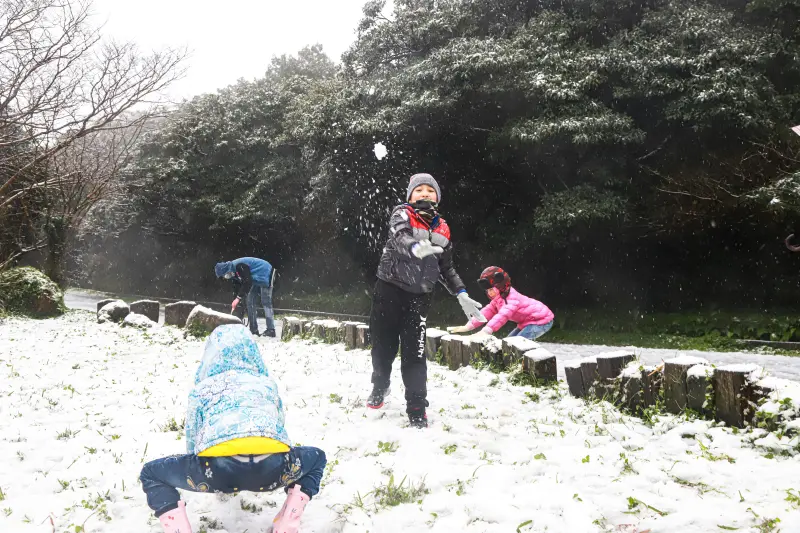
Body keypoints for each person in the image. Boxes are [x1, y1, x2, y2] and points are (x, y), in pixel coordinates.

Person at [139, 324, 326, 533]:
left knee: (152, 473)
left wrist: (196, 465)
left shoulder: (202, 389)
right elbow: (278, 424)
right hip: (273, 468)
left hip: (216, 470)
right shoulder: (265, 384)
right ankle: (287, 523)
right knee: (317, 457)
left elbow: (192, 435)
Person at [367, 172, 486, 428]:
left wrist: (461, 293)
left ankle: (417, 406)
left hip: (419, 297)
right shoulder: (402, 214)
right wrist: (414, 247)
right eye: (419, 190)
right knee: (383, 346)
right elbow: (399, 237)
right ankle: (380, 385)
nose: (424, 194)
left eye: (430, 191)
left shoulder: (442, 228)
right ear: (410, 195)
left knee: (415, 353)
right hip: (388, 290)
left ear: (438, 198)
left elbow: (446, 267)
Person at [448, 266, 554, 340]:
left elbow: (502, 315)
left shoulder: (511, 299)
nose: (490, 292)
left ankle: (522, 367)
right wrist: (468, 326)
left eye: (492, 289)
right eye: (488, 290)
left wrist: (487, 330)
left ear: (501, 286)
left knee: (517, 344)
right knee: (508, 342)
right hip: (527, 322)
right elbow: (486, 312)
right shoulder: (498, 300)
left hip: (542, 321)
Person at [215, 257, 277, 337]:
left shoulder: (239, 266)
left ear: (225, 270)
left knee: (266, 301)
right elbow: (239, 287)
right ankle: (253, 330)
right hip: (254, 277)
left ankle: (271, 330)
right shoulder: (233, 272)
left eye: (223, 275)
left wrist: (238, 298)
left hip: (266, 271)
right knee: (249, 301)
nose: (225, 278)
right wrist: (237, 300)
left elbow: (247, 282)